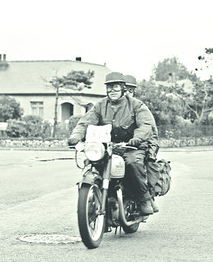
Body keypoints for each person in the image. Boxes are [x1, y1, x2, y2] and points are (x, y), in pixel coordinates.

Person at [68, 71, 158, 215]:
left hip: (132, 146)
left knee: (133, 162)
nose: (112, 90)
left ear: (123, 88)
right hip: (109, 147)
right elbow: (85, 122)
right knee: (94, 163)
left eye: (116, 87)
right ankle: (102, 196)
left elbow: (146, 125)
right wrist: (76, 136)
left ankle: (143, 198)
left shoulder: (136, 105)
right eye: (109, 87)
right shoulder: (100, 106)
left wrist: (138, 138)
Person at [124, 74, 162, 212]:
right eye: (125, 89)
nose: (127, 93)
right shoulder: (110, 106)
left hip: (139, 144)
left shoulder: (138, 106)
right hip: (116, 146)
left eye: (131, 90)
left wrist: (150, 150)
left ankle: (146, 197)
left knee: (134, 164)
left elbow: (149, 128)